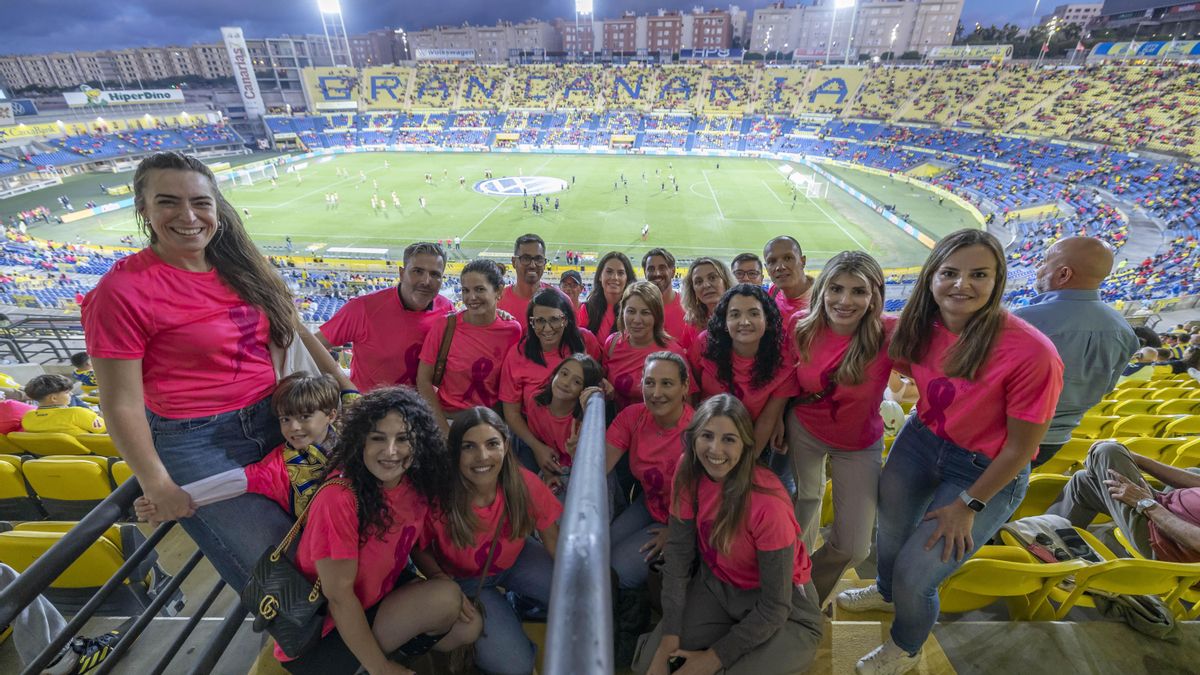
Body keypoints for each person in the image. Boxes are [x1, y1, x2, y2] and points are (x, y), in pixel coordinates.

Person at [81, 151, 353, 591]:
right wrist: (157, 482)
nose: (188, 215)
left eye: (200, 202)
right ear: (143, 209)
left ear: (216, 208)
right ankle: (299, 648)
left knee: (315, 536)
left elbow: (294, 329)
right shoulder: (121, 292)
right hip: (197, 443)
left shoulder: (239, 265)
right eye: (168, 202)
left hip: (278, 418)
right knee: (273, 563)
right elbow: (120, 403)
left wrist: (346, 390)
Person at [836, 229, 1063, 675]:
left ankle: (905, 646)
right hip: (921, 442)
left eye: (978, 274)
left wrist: (969, 503)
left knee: (918, 573)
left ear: (997, 280)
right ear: (932, 277)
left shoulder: (1032, 352)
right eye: (950, 273)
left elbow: (1022, 447)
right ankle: (884, 592)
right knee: (892, 535)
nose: (962, 284)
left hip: (984, 471)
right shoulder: (918, 327)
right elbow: (852, 328)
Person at [278, 387, 478, 673]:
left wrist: (435, 574)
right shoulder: (339, 498)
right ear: (360, 442)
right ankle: (369, 664)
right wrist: (380, 667)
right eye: (378, 438)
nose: (391, 451)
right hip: (320, 636)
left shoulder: (413, 482)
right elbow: (339, 597)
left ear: (418, 442)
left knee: (468, 625)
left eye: (403, 439)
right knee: (444, 598)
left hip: (377, 601)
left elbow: (413, 540)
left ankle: (390, 653)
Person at [634, 394, 822, 675]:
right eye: (707, 436)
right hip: (717, 586)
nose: (715, 449)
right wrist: (668, 637)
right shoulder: (688, 470)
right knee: (651, 663)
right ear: (694, 437)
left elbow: (775, 606)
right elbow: (678, 555)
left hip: (784, 610)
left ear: (746, 445)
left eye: (729, 439)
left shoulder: (768, 504)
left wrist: (713, 658)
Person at [413, 408, 561, 675]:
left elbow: (552, 538)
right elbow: (418, 547)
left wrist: (576, 586)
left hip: (516, 560)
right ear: (455, 451)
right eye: (469, 446)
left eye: (492, 444)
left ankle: (519, 604)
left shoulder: (523, 482)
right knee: (516, 666)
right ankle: (504, 620)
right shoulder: (439, 494)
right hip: (466, 581)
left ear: (505, 445)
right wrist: (440, 579)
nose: (482, 457)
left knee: (572, 593)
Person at [788, 252, 896, 605]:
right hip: (804, 429)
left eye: (858, 291)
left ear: (874, 296)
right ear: (822, 289)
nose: (845, 301)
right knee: (803, 507)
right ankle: (789, 591)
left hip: (859, 443)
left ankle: (808, 594)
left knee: (853, 546)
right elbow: (784, 382)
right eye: (836, 288)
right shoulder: (800, 325)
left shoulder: (889, 335)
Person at [134, 373, 340, 522]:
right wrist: (161, 504)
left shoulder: (356, 443)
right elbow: (229, 483)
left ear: (331, 415)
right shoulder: (276, 467)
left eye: (305, 417)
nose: (294, 427)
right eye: (285, 419)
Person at [1012, 236, 1139, 469]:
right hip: (1054, 442)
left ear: (1063, 274)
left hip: (1005, 438)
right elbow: (1106, 387)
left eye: (1044, 262)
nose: (1039, 269)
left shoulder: (1023, 320)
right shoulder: (1124, 331)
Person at [605, 352, 694, 664]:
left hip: (685, 520)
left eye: (667, 383)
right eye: (650, 382)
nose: (656, 392)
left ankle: (632, 626)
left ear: (685, 387)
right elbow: (600, 464)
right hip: (650, 504)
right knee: (600, 547)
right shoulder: (633, 416)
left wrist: (677, 533)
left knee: (613, 569)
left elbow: (714, 498)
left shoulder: (696, 432)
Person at [318, 242, 452, 392]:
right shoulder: (363, 308)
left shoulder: (447, 310)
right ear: (402, 273)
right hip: (370, 410)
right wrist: (345, 386)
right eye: (417, 271)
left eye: (435, 274)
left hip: (420, 410)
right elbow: (313, 344)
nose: (426, 281)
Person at [500, 289, 600, 475]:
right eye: (539, 321)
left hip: (579, 443)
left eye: (554, 319)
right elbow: (511, 412)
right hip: (531, 441)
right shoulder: (518, 354)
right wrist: (537, 447)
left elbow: (598, 381)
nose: (547, 328)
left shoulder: (585, 342)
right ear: (531, 322)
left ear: (566, 319)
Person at [1047, 441, 1199, 563]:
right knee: (1083, 482)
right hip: (1167, 507)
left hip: (1168, 540)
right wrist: (1139, 460)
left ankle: (1046, 547)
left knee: (1107, 451)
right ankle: (1048, 547)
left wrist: (1147, 504)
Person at [417, 259, 522, 434]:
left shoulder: (512, 331)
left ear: (498, 291)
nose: (471, 297)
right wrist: (444, 431)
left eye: (479, 289)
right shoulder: (445, 326)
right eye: (465, 290)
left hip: (491, 424)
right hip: (449, 421)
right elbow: (423, 381)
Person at [604, 281, 691, 411]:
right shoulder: (613, 343)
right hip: (622, 426)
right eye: (631, 311)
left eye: (645, 313)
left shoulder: (673, 353)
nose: (637, 320)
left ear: (657, 316)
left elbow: (688, 403)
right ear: (622, 312)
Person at [525, 355, 606, 490]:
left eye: (576, 382)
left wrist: (578, 450)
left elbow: (591, 468)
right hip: (551, 467)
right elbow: (538, 446)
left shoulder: (584, 419)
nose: (565, 383)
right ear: (555, 373)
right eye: (564, 374)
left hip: (581, 472)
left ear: (584, 390)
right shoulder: (536, 402)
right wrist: (547, 474)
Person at [21, 374, 106, 436]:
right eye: (67, 392)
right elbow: (105, 430)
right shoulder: (76, 413)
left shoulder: (28, 417)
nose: (71, 394)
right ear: (53, 398)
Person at [679, 257, 734, 350]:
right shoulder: (692, 322)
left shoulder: (742, 316)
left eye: (712, 278)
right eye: (698, 282)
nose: (706, 285)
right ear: (693, 290)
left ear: (725, 281)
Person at [579, 252, 636, 340]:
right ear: (600, 277)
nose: (614, 277)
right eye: (609, 272)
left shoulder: (635, 311)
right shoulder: (587, 309)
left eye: (620, 273)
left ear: (627, 279)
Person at [498, 234, 553, 320]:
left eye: (538, 259)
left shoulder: (561, 300)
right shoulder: (496, 301)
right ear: (514, 262)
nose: (532, 265)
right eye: (526, 258)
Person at [642, 248, 688, 343]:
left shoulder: (688, 307)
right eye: (651, 269)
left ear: (673, 271)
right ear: (645, 273)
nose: (656, 273)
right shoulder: (637, 308)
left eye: (662, 268)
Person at [763, 236, 814, 320]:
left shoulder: (822, 300)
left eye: (788, 258)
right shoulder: (773, 291)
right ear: (766, 268)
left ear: (802, 261)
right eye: (772, 261)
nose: (780, 267)